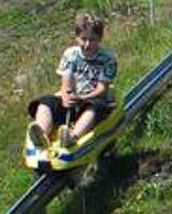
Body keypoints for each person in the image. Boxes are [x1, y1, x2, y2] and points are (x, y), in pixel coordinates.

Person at [28, 12, 117, 149]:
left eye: (92, 40)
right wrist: (66, 96)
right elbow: (66, 81)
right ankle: (41, 134)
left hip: (92, 98)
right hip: (73, 98)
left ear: (100, 38)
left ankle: (73, 137)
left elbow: (102, 88)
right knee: (45, 102)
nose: (87, 44)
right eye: (83, 39)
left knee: (94, 108)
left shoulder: (108, 59)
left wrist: (82, 97)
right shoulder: (70, 54)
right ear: (76, 38)